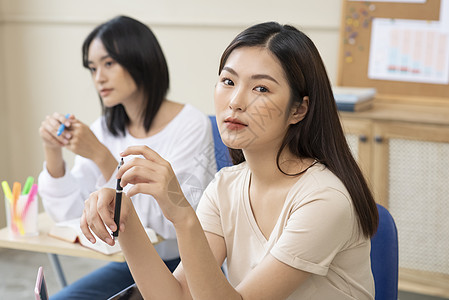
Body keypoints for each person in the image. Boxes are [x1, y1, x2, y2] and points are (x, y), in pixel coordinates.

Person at [81, 21, 379, 299]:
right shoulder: (226, 186)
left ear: (298, 110)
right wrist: (126, 219)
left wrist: (182, 214)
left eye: (261, 88)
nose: (235, 101)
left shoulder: (324, 199)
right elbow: (177, 296)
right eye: (228, 81)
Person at [38, 16, 216, 299]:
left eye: (109, 64)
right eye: (93, 68)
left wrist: (101, 156)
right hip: (127, 262)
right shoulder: (105, 128)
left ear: (141, 59)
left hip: (180, 264)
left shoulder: (191, 124)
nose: (99, 78)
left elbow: (168, 224)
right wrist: (53, 150)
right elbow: (70, 214)